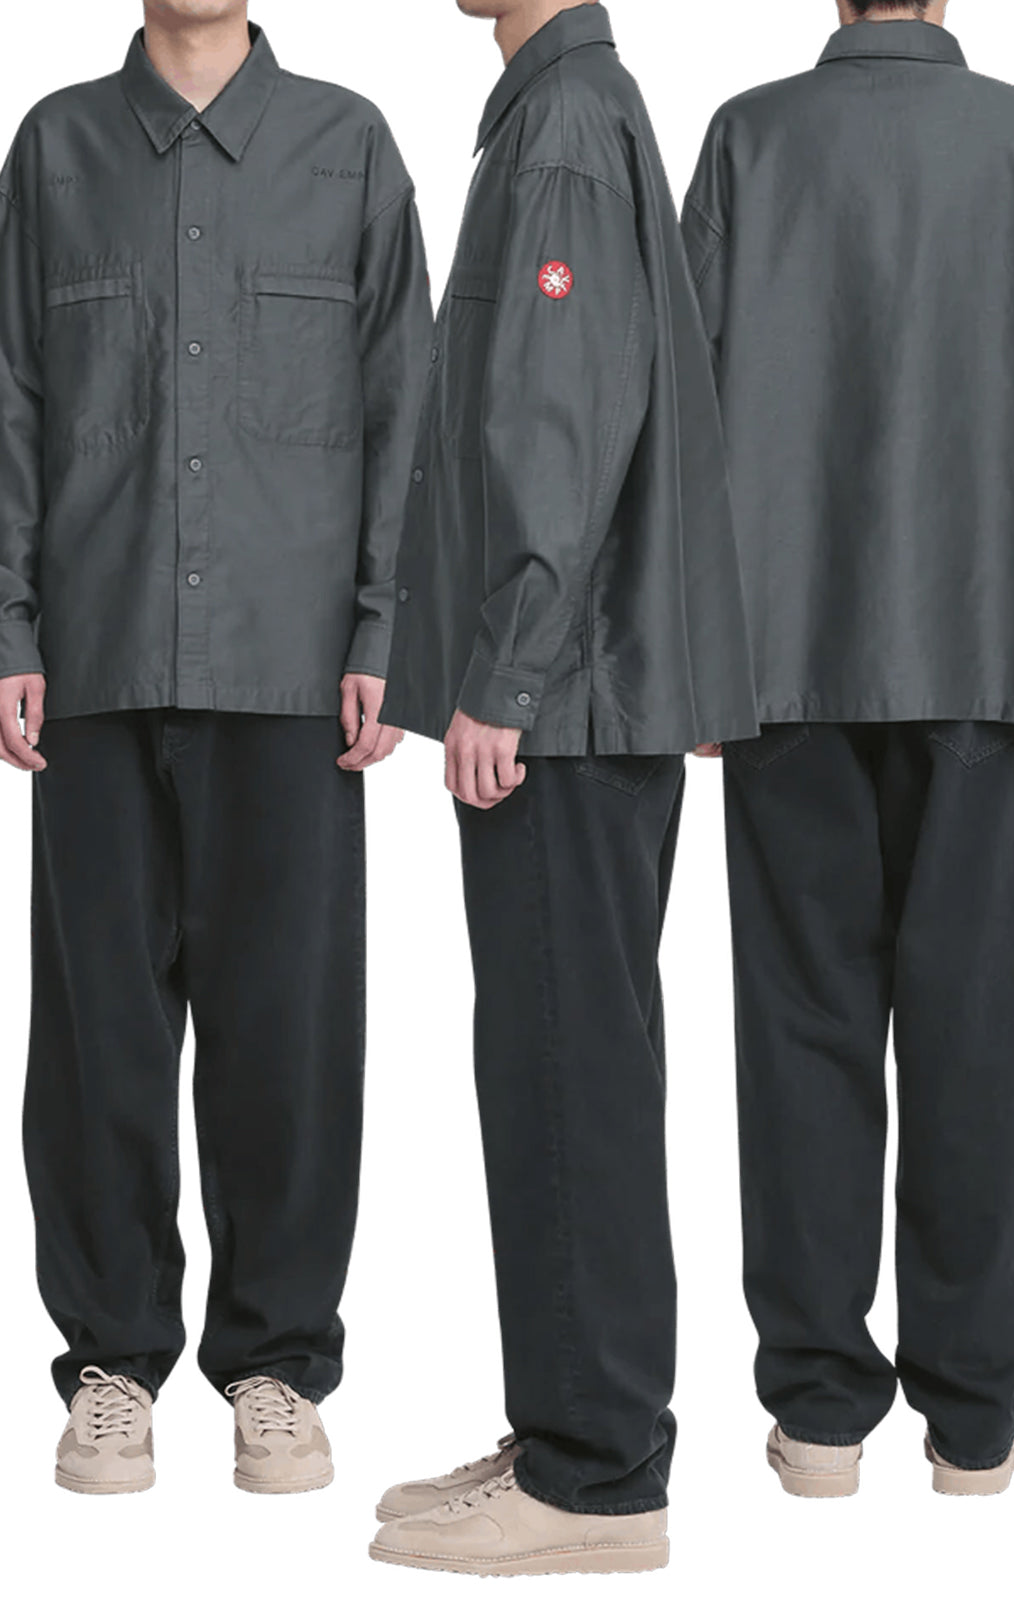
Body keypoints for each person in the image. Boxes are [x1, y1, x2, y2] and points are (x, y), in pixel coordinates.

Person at [0, 0, 431, 1494]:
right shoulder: (55, 148)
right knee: (98, 1041)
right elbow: (9, 396)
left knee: (287, 1040)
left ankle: (276, 1367)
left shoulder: (350, 147)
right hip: (98, 662)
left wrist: (386, 629)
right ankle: (111, 1365)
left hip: (292, 673)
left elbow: (406, 405)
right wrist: (9, 624)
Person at [371, 0, 757, 1578]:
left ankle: (597, 1479)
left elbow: (561, 420)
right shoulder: (561, 111)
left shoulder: (566, 126)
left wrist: (507, 673)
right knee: (558, 1059)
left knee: (565, 1066)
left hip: (570, 703)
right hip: (585, 697)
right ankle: (567, 1430)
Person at [683, 0, 1014, 1499]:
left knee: (803, 1031)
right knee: (983, 1035)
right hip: (986, 647)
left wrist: (692, 655)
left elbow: (683, 403)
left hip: (783, 658)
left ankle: (821, 1413)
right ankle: (974, 1419)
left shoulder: (750, 137)